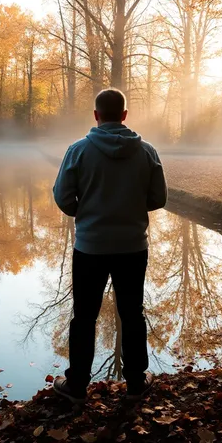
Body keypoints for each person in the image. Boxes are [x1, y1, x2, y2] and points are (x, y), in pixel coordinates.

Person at [52, 88, 167, 404]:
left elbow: (63, 197)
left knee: (84, 316)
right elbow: (159, 198)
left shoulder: (78, 151)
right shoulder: (147, 152)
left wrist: (87, 213)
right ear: (125, 115)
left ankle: (76, 386)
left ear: (96, 115)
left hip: (90, 247)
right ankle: (135, 383)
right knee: (132, 313)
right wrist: (130, 207)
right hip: (133, 246)